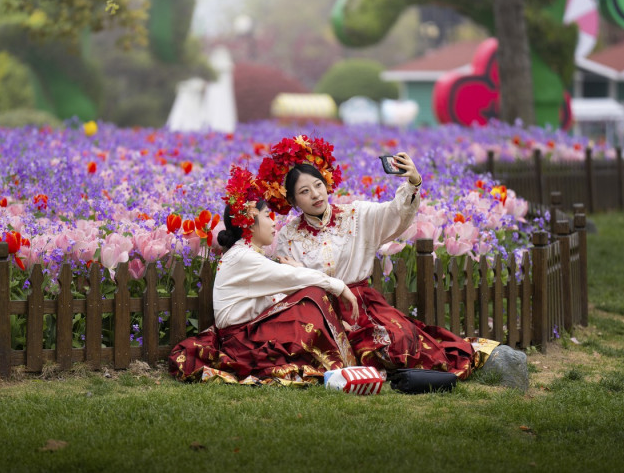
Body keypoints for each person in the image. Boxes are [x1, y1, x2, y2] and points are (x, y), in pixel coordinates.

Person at [257, 135, 476, 379]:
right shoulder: (289, 235)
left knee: (399, 341)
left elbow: (395, 213)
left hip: (361, 305)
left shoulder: (356, 214)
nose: (316, 195)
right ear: (294, 201)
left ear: (326, 183)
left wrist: (413, 181)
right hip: (318, 310)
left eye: (318, 185)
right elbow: (288, 284)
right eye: (305, 192)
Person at [169, 165, 360, 385]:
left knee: (310, 296)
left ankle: (336, 363)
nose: (274, 223)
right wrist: (340, 286)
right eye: (267, 216)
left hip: (248, 332)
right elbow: (293, 280)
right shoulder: (243, 257)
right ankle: (339, 366)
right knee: (313, 295)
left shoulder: (245, 254)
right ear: (250, 221)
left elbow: (281, 291)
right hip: (241, 342)